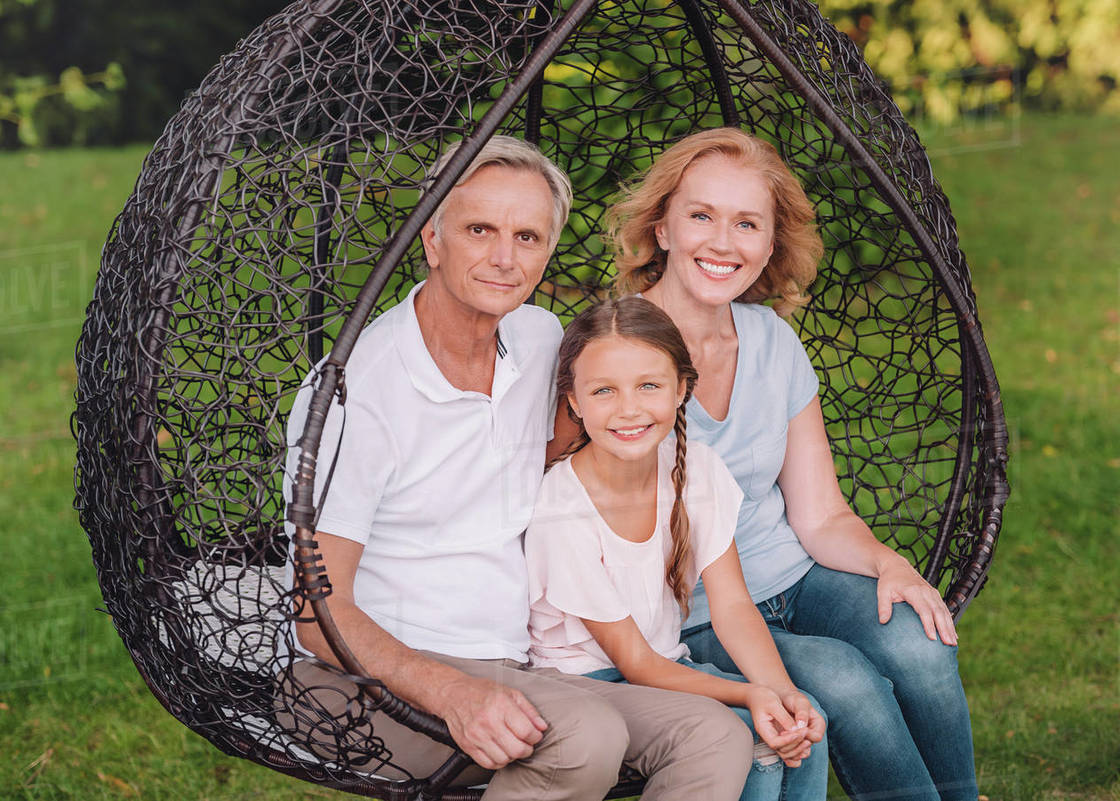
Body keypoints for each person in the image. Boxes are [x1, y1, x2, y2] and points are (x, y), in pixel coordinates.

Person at [279, 135, 753, 801]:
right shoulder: (358, 391)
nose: (505, 257)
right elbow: (314, 610)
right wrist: (453, 692)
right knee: (585, 736)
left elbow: (583, 443)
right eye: (480, 229)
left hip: (518, 665)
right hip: (362, 677)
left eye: (528, 237)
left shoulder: (536, 339)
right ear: (433, 239)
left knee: (716, 736)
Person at [603, 127, 980, 801]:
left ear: (771, 243)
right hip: (696, 613)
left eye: (747, 223)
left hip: (797, 576)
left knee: (921, 643)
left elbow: (820, 513)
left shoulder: (773, 342)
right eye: (701, 216)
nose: (723, 243)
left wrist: (885, 562)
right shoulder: (615, 356)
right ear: (662, 228)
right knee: (843, 681)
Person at [525, 296, 828, 801]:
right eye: (604, 391)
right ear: (574, 403)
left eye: (649, 385)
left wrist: (782, 693)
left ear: (682, 388)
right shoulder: (562, 509)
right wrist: (752, 695)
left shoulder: (698, 469)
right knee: (752, 744)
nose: (629, 409)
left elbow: (732, 608)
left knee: (799, 722)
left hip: (665, 664)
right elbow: (635, 664)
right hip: (585, 685)